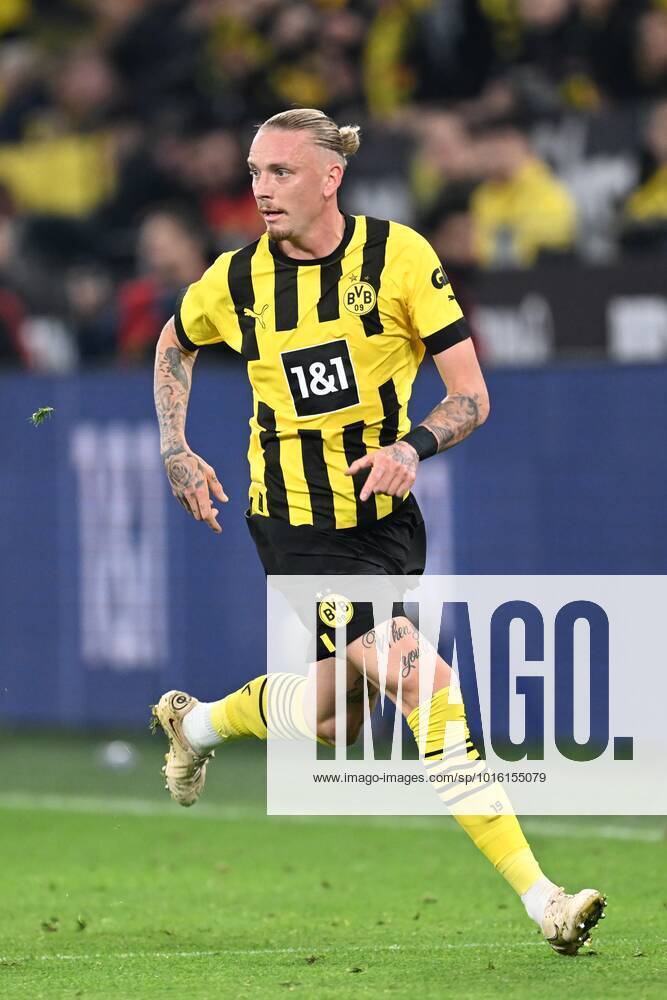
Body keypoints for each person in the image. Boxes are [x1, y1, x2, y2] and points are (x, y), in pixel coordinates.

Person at [151, 108, 605, 956]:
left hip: (385, 517)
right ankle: (541, 897)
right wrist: (175, 448)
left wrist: (413, 444)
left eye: (281, 171)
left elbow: (469, 395)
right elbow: (175, 341)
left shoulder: (398, 259)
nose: (260, 188)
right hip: (294, 521)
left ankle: (199, 724)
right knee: (419, 678)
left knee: (336, 719)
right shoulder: (237, 279)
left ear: (331, 178)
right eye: (253, 172)